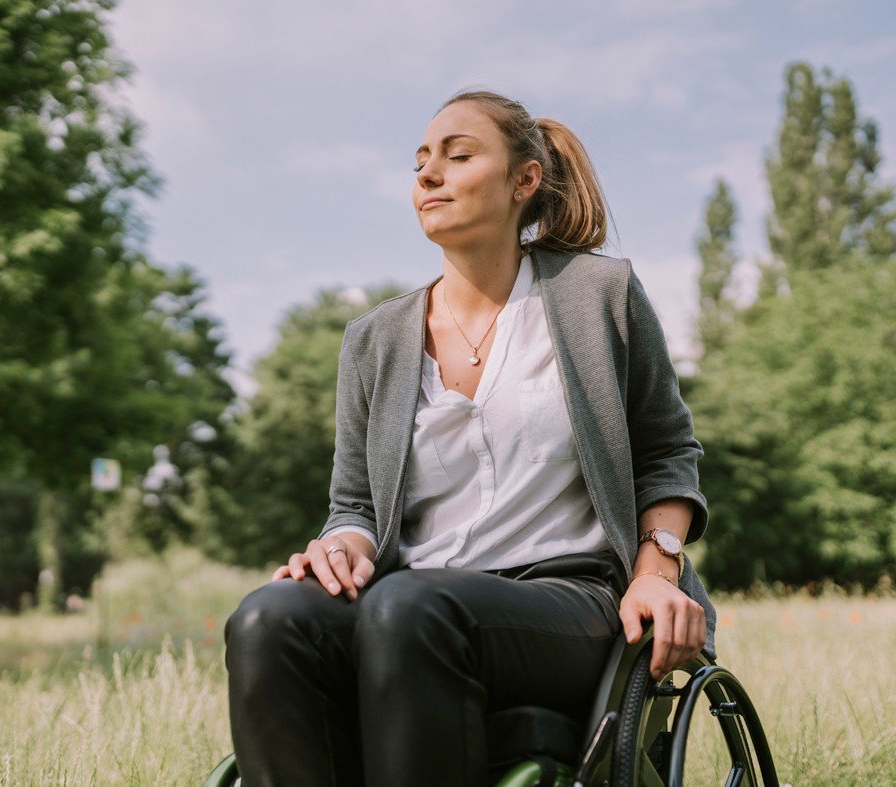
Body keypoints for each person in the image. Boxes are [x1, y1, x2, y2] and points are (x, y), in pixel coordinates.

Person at [224, 89, 717, 787]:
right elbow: (355, 504)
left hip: (570, 595)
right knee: (269, 619)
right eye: (421, 160)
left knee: (410, 607)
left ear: (525, 180)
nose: (429, 174)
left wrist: (655, 572)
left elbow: (667, 453)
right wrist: (342, 547)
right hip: (410, 597)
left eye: (458, 156)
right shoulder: (374, 338)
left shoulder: (597, 294)